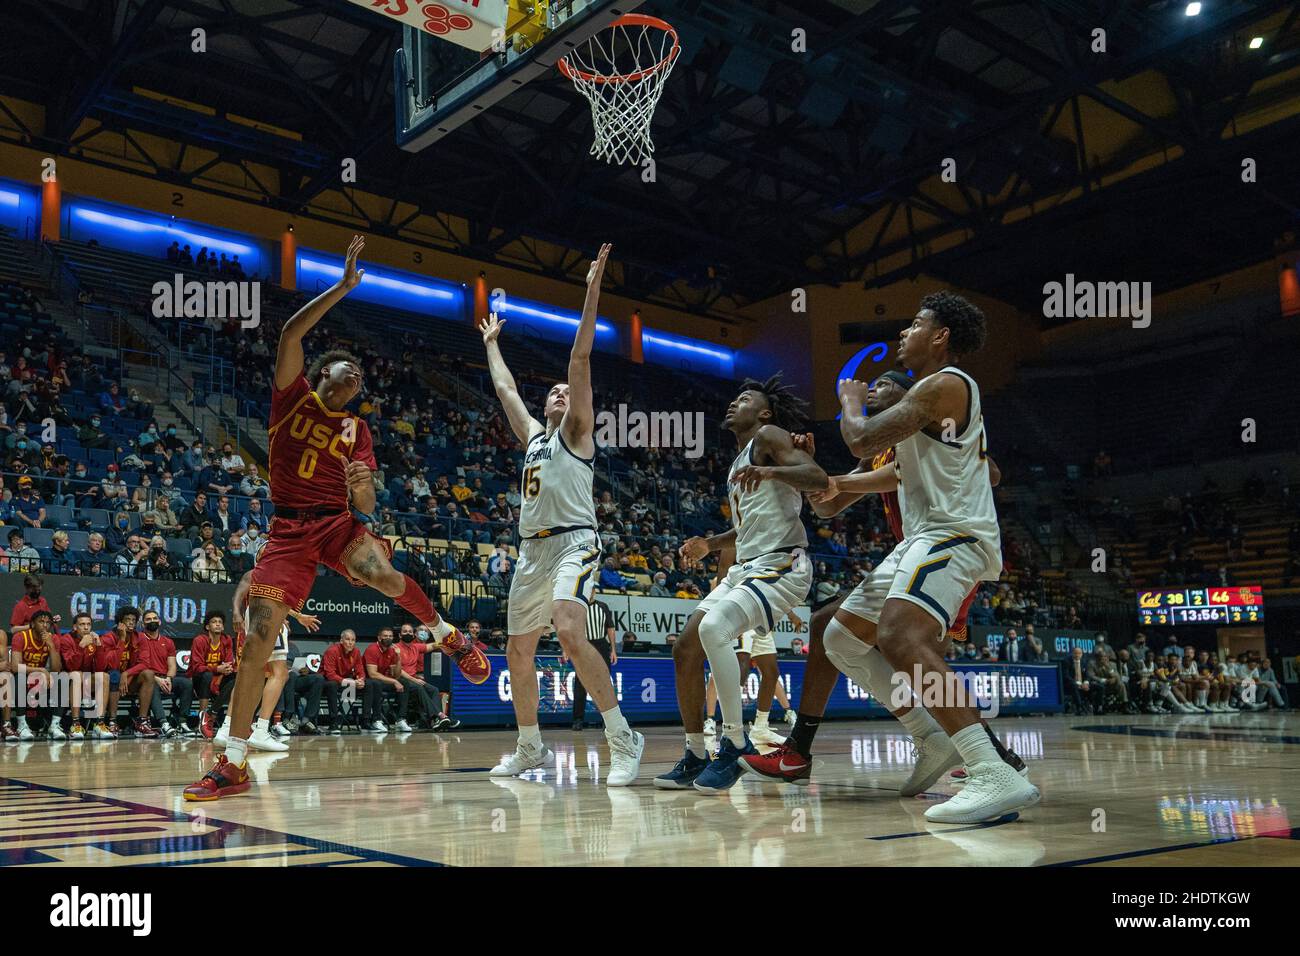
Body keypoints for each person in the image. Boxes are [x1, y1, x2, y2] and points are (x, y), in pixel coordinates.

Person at [184, 237, 487, 801]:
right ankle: (233, 760)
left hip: (336, 523)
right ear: (326, 373)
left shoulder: (359, 431)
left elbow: (367, 508)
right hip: (288, 531)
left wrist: (363, 488)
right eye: (348, 373)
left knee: (385, 576)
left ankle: (446, 634)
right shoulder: (290, 396)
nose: (356, 381)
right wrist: (343, 287)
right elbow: (289, 335)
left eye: (361, 382)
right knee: (257, 639)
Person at [787, 294, 1037, 823]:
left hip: (954, 534)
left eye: (917, 324)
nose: (905, 333)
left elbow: (858, 441)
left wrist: (849, 401)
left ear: (941, 336)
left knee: (903, 636)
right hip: (920, 540)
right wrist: (827, 483)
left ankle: (992, 769)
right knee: (838, 636)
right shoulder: (927, 408)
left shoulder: (945, 385)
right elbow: (865, 479)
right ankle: (932, 737)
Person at [479, 243, 643, 788]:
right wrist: (491, 344)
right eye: (550, 391)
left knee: (571, 632)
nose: (557, 393)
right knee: (517, 649)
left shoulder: (577, 433)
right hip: (531, 551)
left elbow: (579, 358)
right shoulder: (532, 437)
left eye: (563, 392)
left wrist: (592, 290)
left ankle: (622, 735)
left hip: (575, 541)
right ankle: (530, 748)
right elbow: (504, 389)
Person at [654, 373, 827, 793]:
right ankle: (697, 752)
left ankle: (734, 744)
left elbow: (818, 478)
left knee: (714, 630)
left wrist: (770, 472)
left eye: (745, 398)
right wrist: (710, 544)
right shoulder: (739, 461)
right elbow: (747, 529)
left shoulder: (769, 436)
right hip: (748, 565)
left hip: (784, 563)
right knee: (685, 648)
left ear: (764, 413)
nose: (735, 402)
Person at [562, 599, 616, 730]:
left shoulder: (603, 606)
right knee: (581, 684)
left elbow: (610, 628)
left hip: (601, 645)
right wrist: (566, 648)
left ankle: (609, 720)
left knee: (605, 684)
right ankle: (578, 720)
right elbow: (568, 629)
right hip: (583, 644)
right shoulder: (577, 607)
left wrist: (613, 649)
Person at [188, 611, 236, 739]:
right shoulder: (200, 640)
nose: (218, 625)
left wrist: (223, 671)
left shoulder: (227, 640)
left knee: (235, 677)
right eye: (214, 622)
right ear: (207, 627)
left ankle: (211, 714)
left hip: (218, 678)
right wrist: (217, 669)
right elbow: (197, 667)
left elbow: (229, 663)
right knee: (206, 674)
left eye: (220, 622)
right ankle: (202, 717)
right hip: (199, 680)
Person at [320, 629, 366, 733]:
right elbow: (330, 675)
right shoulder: (332, 650)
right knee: (332, 685)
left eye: (353, 640)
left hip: (345, 681)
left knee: (370, 684)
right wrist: (351, 682)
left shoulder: (357, 652)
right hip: (326, 681)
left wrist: (361, 680)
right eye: (348, 639)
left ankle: (368, 721)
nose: (350, 642)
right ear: (341, 640)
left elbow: (360, 670)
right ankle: (333, 722)